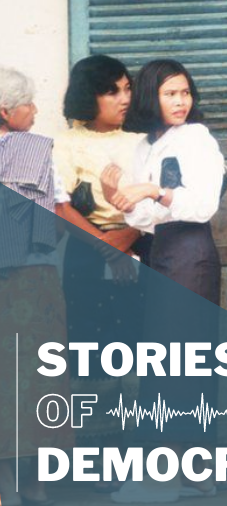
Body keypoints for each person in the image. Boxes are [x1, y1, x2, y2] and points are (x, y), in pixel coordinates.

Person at [101, 59, 225, 503]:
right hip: (161, 254)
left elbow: (204, 203)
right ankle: (196, 473)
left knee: (182, 364)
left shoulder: (197, 139)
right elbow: (146, 219)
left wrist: (152, 191)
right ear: (151, 96)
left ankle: (171, 475)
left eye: (185, 93)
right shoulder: (144, 146)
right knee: (166, 364)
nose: (180, 101)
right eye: (170, 93)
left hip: (192, 255)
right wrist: (121, 196)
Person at [53, 55, 146, 489]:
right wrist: (108, 250)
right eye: (113, 91)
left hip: (139, 244)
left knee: (140, 355)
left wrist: (125, 242)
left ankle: (138, 458)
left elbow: (155, 201)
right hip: (89, 253)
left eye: (127, 88)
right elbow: (59, 205)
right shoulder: (68, 142)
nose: (124, 98)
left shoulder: (143, 140)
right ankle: (96, 464)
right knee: (91, 356)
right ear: (89, 96)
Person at [0, 66, 74, 506]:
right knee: (36, 381)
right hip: (34, 278)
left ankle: (9, 485)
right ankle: (32, 484)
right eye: (28, 102)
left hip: (25, 279)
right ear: (5, 111)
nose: (35, 110)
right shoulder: (42, 151)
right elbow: (60, 219)